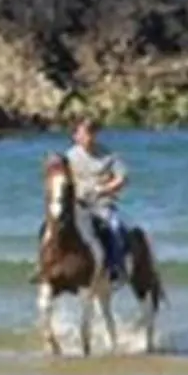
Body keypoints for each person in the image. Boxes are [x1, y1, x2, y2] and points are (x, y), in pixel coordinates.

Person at [64, 118, 131, 280]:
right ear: (76, 136)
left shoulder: (108, 155)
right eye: (84, 133)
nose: (89, 137)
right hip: (78, 204)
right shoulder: (69, 157)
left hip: (102, 204)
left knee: (114, 227)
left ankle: (115, 267)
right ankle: (45, 265)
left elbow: (122, 178)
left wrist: (105, 189)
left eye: (92, 133)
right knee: (50, 226)